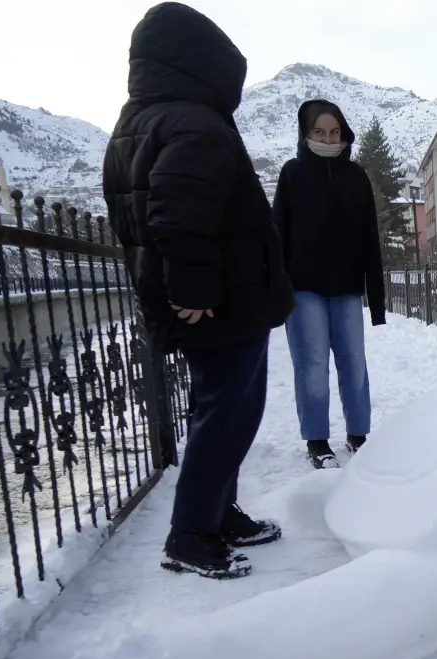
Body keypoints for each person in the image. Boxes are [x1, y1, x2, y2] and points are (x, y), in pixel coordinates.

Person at [103, 2, 294, 580]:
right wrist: (192, 287)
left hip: (206, 296)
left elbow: (138, 214)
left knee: (220, 410)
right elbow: (175, 214)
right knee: (227, 414)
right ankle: (189, 535)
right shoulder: (192, 121)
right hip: (219, 299)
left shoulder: (141, 121)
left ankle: (216, 512)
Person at [272, 99, 386, 470]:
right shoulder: (292, 175)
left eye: (334, 132)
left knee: (354, 362)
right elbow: (277, 235)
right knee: (312, 363)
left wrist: (377, 299)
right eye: (319, 132)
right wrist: (275, 289)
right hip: (303, 288)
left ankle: (358, 435)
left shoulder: (356, 177)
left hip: (347, 287)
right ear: (305, 135)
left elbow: (370, 237)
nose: (327, 138)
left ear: (344, 133)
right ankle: (317, 441)